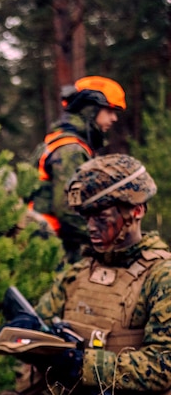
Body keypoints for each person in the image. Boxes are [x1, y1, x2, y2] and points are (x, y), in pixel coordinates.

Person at [0, 155, 171, 395]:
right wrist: (25, 332)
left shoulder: (162, 277)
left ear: (136, 211)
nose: (91, 227)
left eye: (102, 219)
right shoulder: (79, 271)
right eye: (87, 218)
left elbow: (162, 365)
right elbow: (36, 324)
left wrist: (83, 363)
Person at [29, 76, 126, 262]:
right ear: (90, 109)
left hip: (43, 243)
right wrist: (110, 241)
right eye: (110, 110)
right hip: (50, 249)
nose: (114, 118)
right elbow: (67, 212)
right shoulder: (71, 150)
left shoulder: (59, 141)